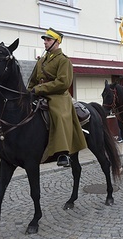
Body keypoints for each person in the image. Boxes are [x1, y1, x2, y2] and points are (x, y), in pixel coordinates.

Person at [27, 27, 87, 167]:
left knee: (59, 115)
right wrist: (28, 92)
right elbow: (33, 81)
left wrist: (39, 89)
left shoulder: (63, 60)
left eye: (48, 40)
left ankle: (63, 152)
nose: (45, 42)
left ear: (57, 42)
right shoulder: (41, 61)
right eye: (45, 40)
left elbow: (63, 82)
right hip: (39, 93)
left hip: (57, 95)